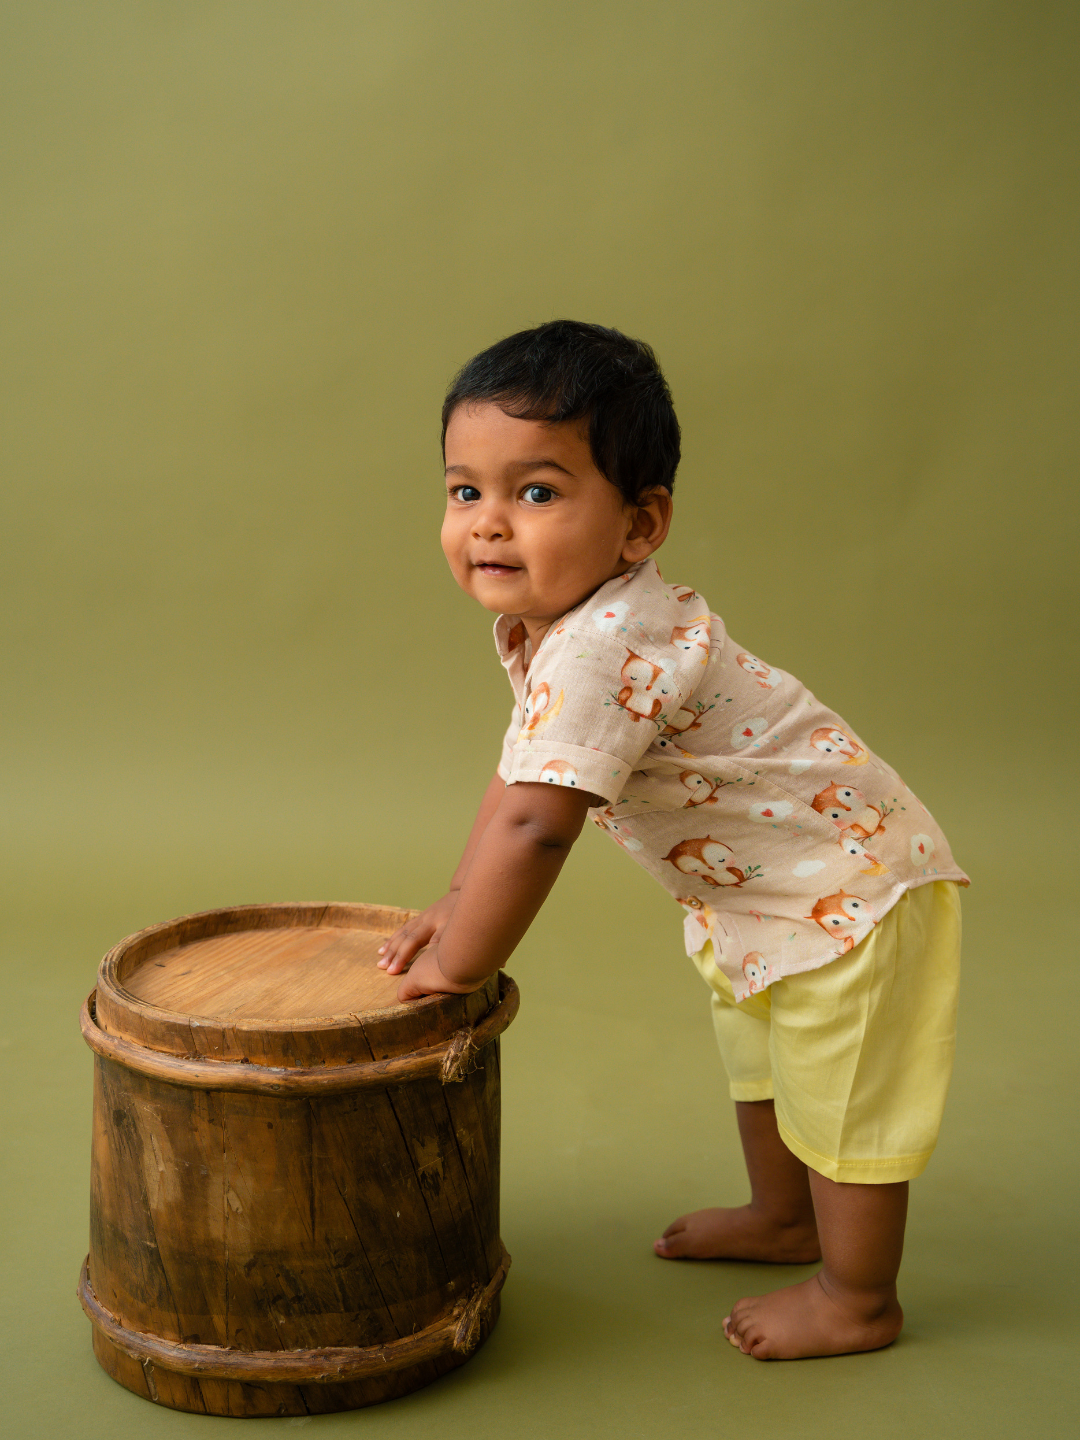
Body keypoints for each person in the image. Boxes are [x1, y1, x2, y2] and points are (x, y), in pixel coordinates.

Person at [377, 320, 967, 1361]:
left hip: (852, 891)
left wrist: (466, 957)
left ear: (640, 525)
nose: (490, 525)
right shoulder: (556, 627)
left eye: (539, 493)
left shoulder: (608, 644)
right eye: (466, 491)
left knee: (841, 1101)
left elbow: (538, 824)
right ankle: (782, 1220)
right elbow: (520, 778)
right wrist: (456, 898)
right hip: (754, 899)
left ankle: (858, 1297)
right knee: (762, 1064)